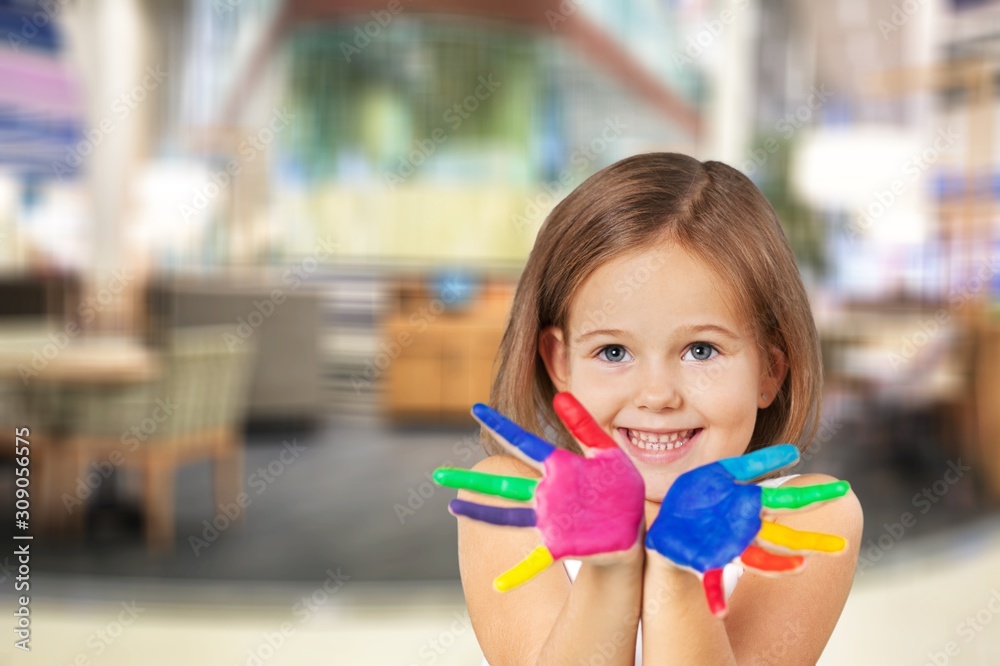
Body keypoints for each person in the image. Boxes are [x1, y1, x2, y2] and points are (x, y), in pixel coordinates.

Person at [454, 153, 863, 664]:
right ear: (560, 363)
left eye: (701, 350)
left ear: (770, 371)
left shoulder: (810, 516)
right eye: (614, 352)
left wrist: (675, 570)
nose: (657, 395)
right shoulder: (517, 505)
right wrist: (610, 565)